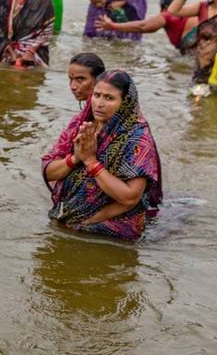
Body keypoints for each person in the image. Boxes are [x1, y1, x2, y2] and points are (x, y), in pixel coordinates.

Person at [42, 70, 163, 242]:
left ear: (125, 103)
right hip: (69, 218)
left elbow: (130, 198)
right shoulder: (82, 125)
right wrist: (76, 158)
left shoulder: (137, 139)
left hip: (111, 230)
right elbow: (48, 172)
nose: (99, 103)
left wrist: (91, 162)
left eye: (109, 98)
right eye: (97, 95)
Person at [96, 0, 189, 52]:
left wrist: (112, 26)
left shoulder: (168, 15)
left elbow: (142, 26)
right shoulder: (190, 13)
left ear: (164, 7)